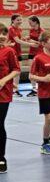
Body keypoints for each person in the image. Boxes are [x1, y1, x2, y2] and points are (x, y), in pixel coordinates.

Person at [0, 24, 18, 172]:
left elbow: (16, 69)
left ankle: (1, 157)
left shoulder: (9, 51)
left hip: (3, 95)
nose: (1, 36)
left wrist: (4, 80)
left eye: (4, 34)